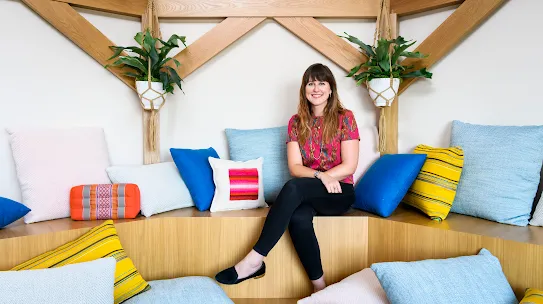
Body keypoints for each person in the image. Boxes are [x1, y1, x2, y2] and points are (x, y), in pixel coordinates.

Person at [215, 63, 360, 292]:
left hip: (339, 192)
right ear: (304, 89)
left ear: (331, 89)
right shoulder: (296, 122)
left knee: (293, 188)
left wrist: (328, 178)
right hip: (312, 190)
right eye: (311, 83)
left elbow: (350, 165)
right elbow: (295, 167)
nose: (316, 88)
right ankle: (320, 289)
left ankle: (254, 260)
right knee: (299, 218)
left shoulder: (346, 118)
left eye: (322, 83)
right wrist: (321, 176)